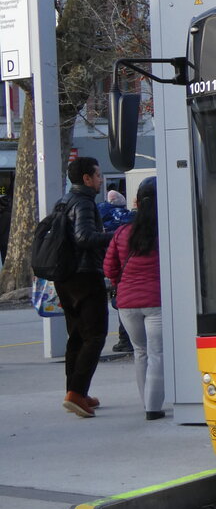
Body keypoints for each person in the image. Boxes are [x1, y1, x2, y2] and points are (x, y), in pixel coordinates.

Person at [103, 177, 167, 420]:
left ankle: (146, 403)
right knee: (157, 353)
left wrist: (123, 286)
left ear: (136, 202)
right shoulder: (167, 233)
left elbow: (109, 268)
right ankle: (153, 407)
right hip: (157, 302)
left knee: (140, 352)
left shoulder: (121, 232)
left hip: (127, 304)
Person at [59, 156, 114, 418]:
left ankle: (76, 391)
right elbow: (84, 237)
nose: (101, 180)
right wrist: (115, 236)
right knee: (95, 336)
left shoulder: (63, 202)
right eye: (99, 175)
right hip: (85, 276)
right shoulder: (83, 203)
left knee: (77, 337)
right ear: (87, 179)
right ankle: (76, 393)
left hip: (65, 277)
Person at [99, 189, 135, 353]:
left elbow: (109, 265)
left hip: (123, 278)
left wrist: (114, 281)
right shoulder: (130, 221)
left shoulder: (100, 214)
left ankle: (125, 340)